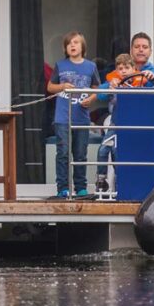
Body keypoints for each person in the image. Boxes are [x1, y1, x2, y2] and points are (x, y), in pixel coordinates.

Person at [46, 31, 101, 198]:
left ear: (82, 47)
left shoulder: (91, 67)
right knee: (62, 152)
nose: (72, 45)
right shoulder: (60, 65)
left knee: (80, 153)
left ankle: (81, 187)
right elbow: (50, 87)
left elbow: (96, 89)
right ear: (65, 48)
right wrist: (62, 86)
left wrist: (90, 100)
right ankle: (62, 187)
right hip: (62, 117)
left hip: (82, 117)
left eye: (76, 42)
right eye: (69, 43)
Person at [80, 53, 144, 192]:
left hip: (131, 125)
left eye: (127, 67)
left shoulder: (140, 82)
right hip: (115, 124)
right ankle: (101, 180)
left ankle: (120, 181)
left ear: (133, 69)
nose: (124, 71)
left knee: (118, 152)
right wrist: (110, 89)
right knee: (103, 150)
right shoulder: (113, 83)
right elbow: (100, 95)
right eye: (120, 68)